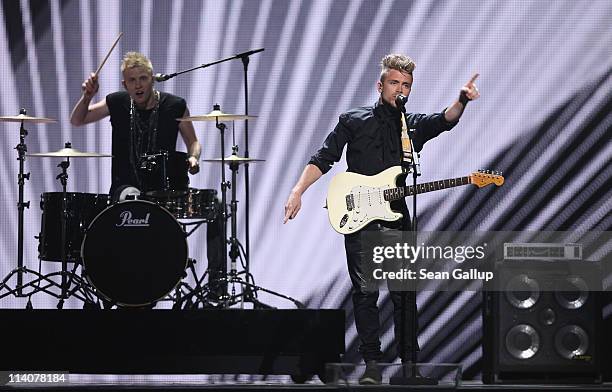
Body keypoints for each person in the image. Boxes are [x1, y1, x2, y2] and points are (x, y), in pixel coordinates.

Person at [283, 54, 480, 384]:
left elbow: (445, 119)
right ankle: (372, 366)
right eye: (394, 83)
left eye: (406, 85)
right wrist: (298, 190)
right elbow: (324, 157)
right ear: (380, 85)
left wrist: (462, 100)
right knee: (366, 293)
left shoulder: (411, 125)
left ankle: (409, 369)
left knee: (404, 293)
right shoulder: (353, 119)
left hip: (396, 219)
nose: (400, 90)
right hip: (359, 218)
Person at [70, 51, 225, 305]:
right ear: (125, 84)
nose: (138, 85)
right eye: (132, 80)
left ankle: (217, 285)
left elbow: (193, 142)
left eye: (143, 78)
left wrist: (194, 158)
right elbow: (77, 120)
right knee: (130, 196)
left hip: (167, 191)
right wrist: (87, 96)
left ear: (152, 79)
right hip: (126, 188)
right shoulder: (117, 102)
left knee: (215, 206)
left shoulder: (175, 105)